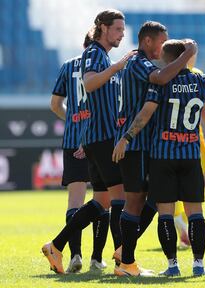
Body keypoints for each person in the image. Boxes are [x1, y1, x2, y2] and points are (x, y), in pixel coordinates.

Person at [113, 39, 205, 276]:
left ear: (170, 59)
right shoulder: (202, 80)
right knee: (196, 213)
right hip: (190, 155)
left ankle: (172, 266)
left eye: (163, 57)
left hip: (163, 156)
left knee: (165, 213)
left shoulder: (161, 82)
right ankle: (198, 265)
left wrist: (127, 137)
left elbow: (146, 112)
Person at [42, 9, 132, 274]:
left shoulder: (101, 55)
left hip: (96, 137)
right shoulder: (94, 54)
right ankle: (124, 261)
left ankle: (56, 246)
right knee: (120, 198)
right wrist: (118, 66)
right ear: (103, 28)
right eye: (117, 29)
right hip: (102, 137)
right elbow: (90, 84)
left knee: (102, 200)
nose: (122, 34)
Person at [111, 21, 196, 277]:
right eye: (161, 41)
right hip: (135, 143)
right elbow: (160, 77)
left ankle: (125, 252)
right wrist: (186, 55)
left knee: (153, 198)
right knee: (135, 200)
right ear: (147, 41)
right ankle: (126, 263)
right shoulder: (139, 62)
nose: (163, 46)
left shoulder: (144, 63)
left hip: (146, 145)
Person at [50, 33, 110, 273]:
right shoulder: (103, 64)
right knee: (102, 199)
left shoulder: (67, 66)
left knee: (75, 200)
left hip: (73, 140)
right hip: (98, 137)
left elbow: (55, 105)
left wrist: (73, 120)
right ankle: (97, 258)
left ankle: (75, 255)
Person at [174, 54, 205, 249]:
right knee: (175, 185)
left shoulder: (199, 76)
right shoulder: (171, 75)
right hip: (176, 139)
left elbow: (204, 109)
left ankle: (182, 217)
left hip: (197, 137)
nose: (192, 57)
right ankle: (179, 223)